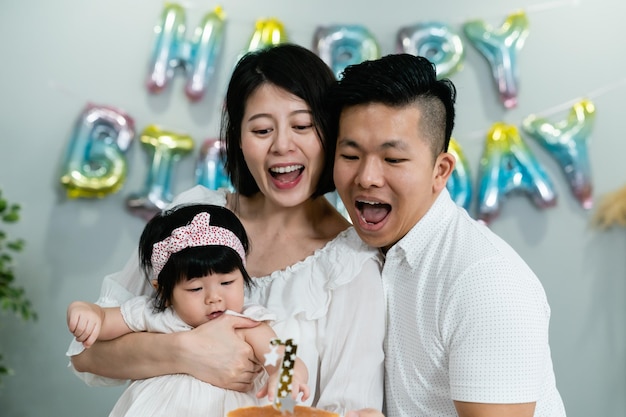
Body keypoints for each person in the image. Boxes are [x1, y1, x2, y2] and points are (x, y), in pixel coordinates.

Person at [66, 43, 385, 415]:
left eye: (302, 126)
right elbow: (86, 355)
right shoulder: (197, 219)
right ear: (238, 137)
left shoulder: (350, 264)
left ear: (330, 133)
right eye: (262, 129)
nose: (282, 145)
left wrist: (280, 397)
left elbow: (350, 406)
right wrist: (185, 352)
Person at [330, 54, 566, 417]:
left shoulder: (485, 279)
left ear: (440, 171)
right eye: (350, 154)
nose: (367, 177)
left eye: (392, 160)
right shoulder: (354, 249)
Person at [67, 204, 309, 416]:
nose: (214, 298)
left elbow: (285, 356)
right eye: (195, 288)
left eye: (227, 283)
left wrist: (284, 378)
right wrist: (88, 312)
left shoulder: (245, 323)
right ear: (164, 292)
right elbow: (106, 322)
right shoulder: (155, 314)